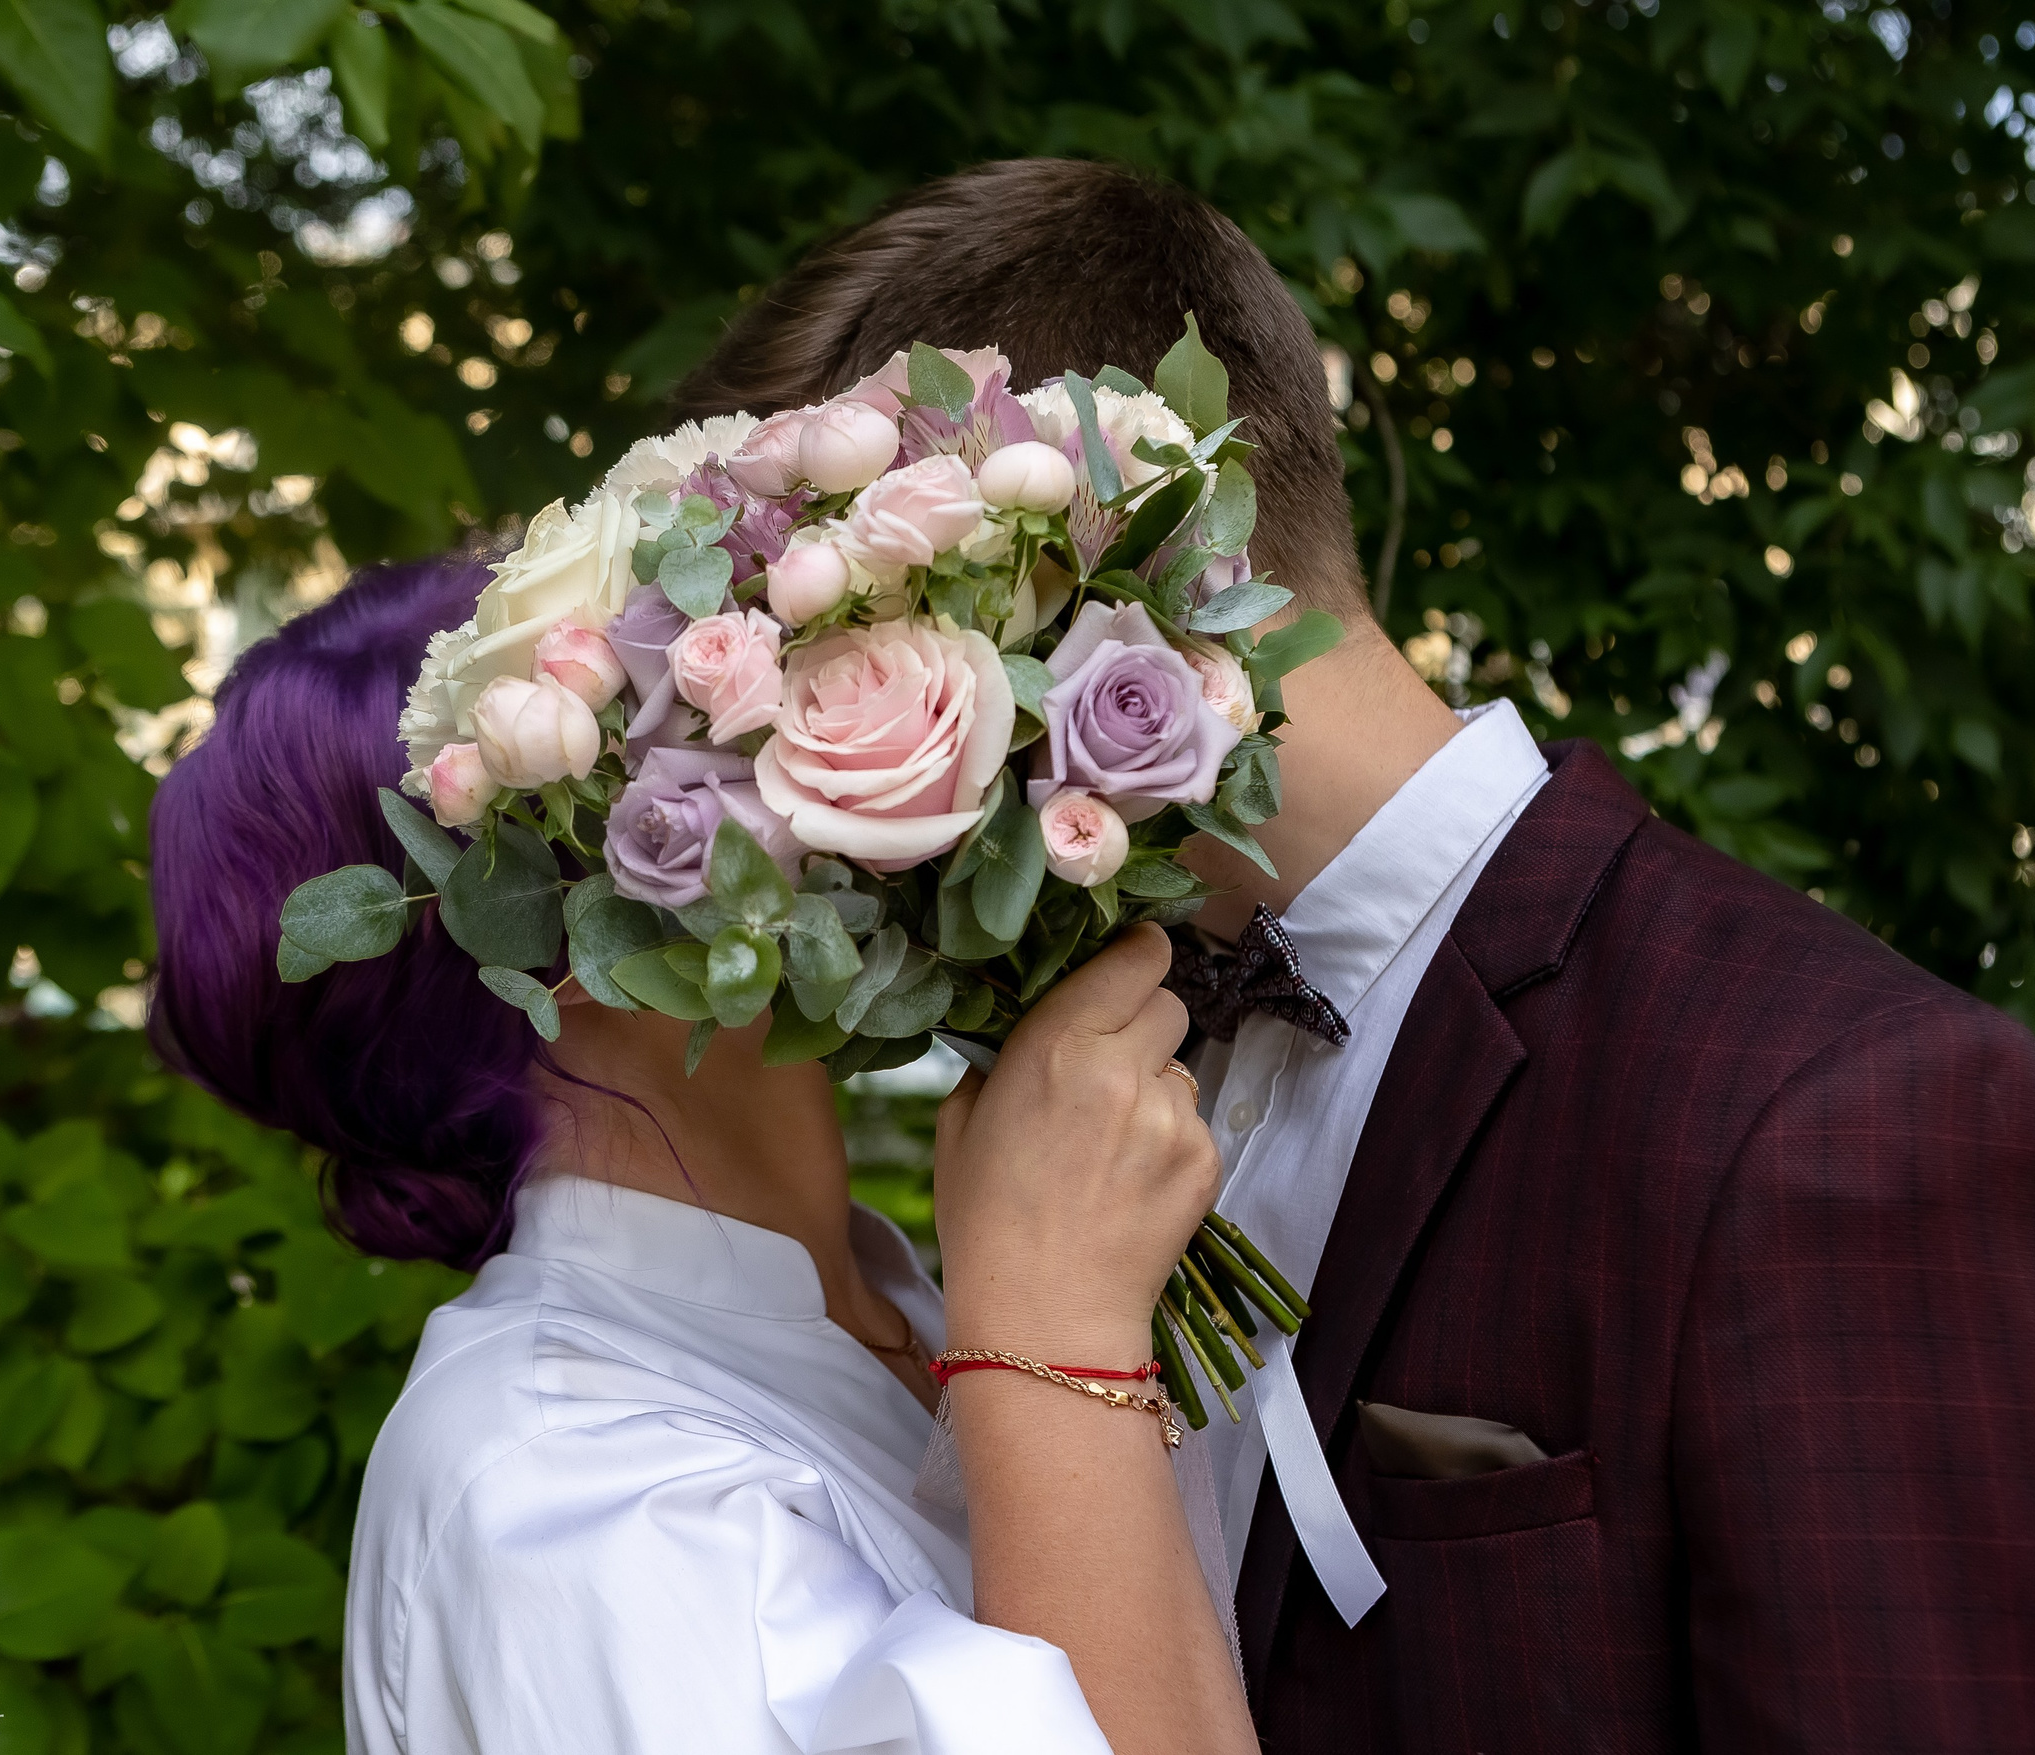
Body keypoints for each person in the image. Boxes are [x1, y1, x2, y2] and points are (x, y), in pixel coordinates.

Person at [672, 157, 2035, 1750]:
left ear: (1054, 559)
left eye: (828, 636)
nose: (795, 756)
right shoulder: (1097, 1081)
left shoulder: (1838, 1110)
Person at [145, 552, 1260, 1754]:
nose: (779, 726)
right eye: (681, 733)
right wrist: (1052, 1337)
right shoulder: (571, 1502)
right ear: (546, 938)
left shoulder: (870, 1297)